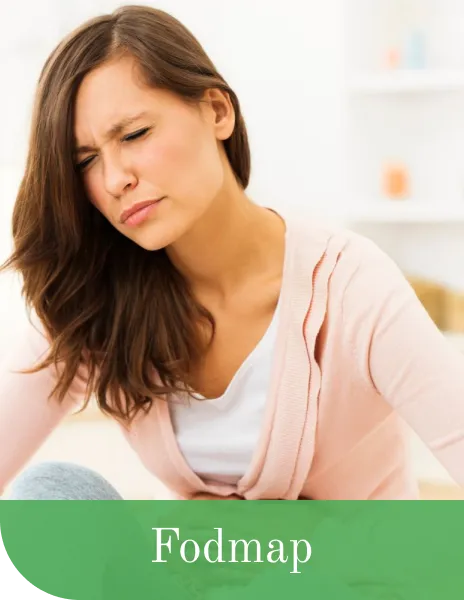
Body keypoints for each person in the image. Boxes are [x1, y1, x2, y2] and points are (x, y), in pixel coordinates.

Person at [1, 4, 464, 502]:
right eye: (87, 161)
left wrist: (233, 522)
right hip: (193, 555)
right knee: (48, 496)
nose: (115, 180)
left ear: (218, 111)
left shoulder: (350, 286)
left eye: (134, 134)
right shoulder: (99, 298)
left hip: (348, 556)